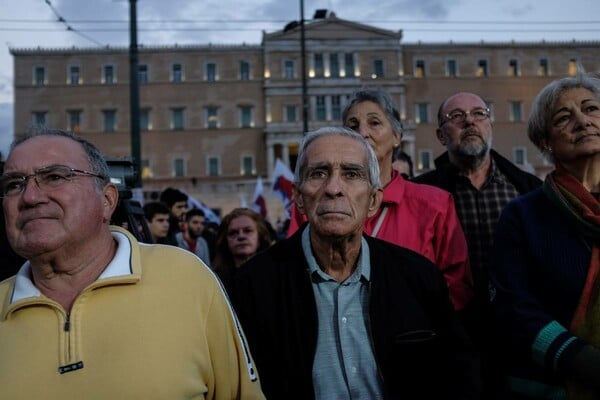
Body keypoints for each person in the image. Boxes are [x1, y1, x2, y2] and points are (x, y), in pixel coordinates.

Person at [0, 129, 265, 399]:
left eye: (54, 177)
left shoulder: (186, 277)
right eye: (13, 184)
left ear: (107, 200)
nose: (30, 197)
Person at [233, 127, 480, 399]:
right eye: (318, 173)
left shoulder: (418, 278)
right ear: (299, 198)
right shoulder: (252, 287)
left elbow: (459, 375)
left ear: (373, 200)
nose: (334, 189)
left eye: (351, 174)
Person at [289, 88, 473, 312]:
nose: (362, 133)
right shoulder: (315, 202)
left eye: (374, 123)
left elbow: (456, 286)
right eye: (352, 126)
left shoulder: (435, 204)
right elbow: (293, 271)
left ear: (396, 137)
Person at [413, 91, 542, 397]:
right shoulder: (421, 194)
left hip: (520, 336)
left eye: (479, 113)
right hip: (451, 338)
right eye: (456, 117)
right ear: (441, 136)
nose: (469, 120)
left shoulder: (528, 190)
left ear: (490, 124)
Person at [490, 72, 600, 399]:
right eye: (564, 117)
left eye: (591, 109)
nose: (582, 121)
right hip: (564, 383)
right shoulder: (524, 215)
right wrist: (582, 360)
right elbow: (513, 307)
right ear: (544, 142)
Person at [212, 208, 273, 295]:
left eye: (248, 231)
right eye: (233, 233)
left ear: (260, 236)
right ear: (225, 240)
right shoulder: (215, 281)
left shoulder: (275, 276)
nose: (241, 236)